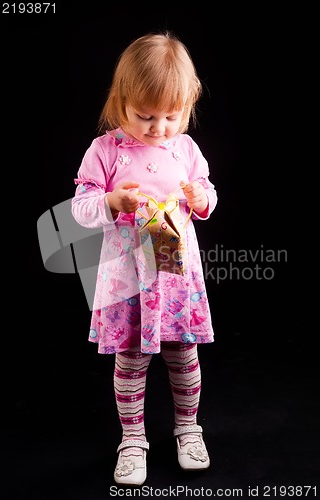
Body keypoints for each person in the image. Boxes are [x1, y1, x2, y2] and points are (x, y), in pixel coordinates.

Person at [71, 31, 218, 486]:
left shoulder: (186, 148)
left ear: (186, 106)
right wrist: (112, 202)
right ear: (122, 103)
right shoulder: (106, 150)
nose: (159, 128)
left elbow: (208, 199)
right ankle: (132, 440)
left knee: (183, 353)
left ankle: (188, 428)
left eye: (171, 116)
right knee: (131, 359)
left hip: (175, 278)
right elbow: (79, 207)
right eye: (145, 116)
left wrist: (200, 196)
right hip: (128, 280)